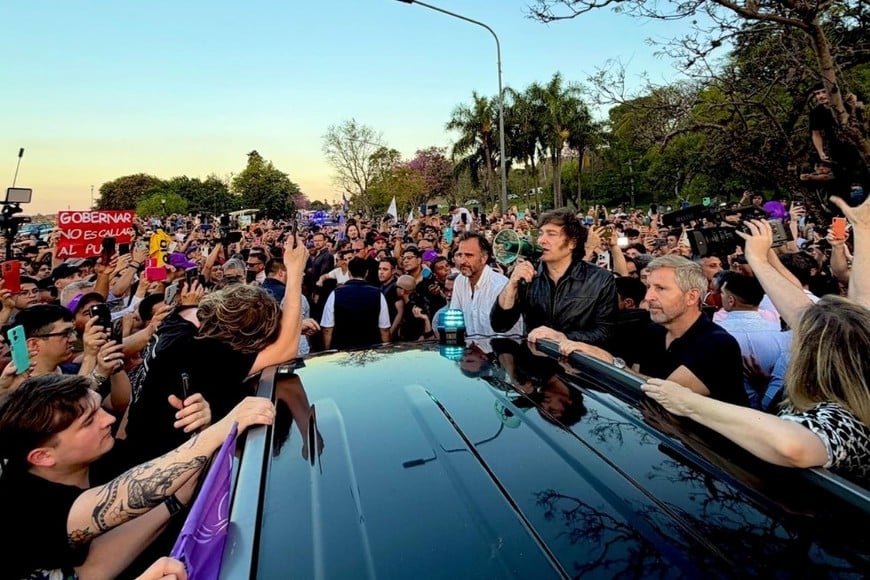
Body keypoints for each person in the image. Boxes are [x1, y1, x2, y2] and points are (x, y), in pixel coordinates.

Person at [0, 374, 276, 579]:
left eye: (99, 408)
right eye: (89, 421)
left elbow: (93, 567)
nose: (108, 420)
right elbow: (126, 494)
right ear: (43, 456)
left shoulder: (103, 454)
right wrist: (218, 431)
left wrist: (203, 429)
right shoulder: (19, 503)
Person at [491, 208, 617, 347]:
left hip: (578, 365)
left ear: (572, 243)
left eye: (551, 234)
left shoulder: (600, 279)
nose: (542, 240)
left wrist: (563, 338)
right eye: (540, 234)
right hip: (534, 362)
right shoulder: (528, 275)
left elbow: (606, 332)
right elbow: (500, 325)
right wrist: (511, 286)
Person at [450, 232, 521, 336]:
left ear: (483, 258)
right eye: (460, 255)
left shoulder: (500, 286)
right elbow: (454, 322)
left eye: (469, 255)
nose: (462, 261)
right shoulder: (460, 281)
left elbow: (510, 335)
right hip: (470, 350)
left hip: (498, 350)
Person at [320, 257, 391, 350]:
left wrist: (328, 351)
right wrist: (386, 351)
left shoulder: (335, 293)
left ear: (349, 273)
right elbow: (384, 329)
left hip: (342, 350)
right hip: (371, 350)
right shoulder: (378, 294)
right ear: (366, 273)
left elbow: (327, 328)